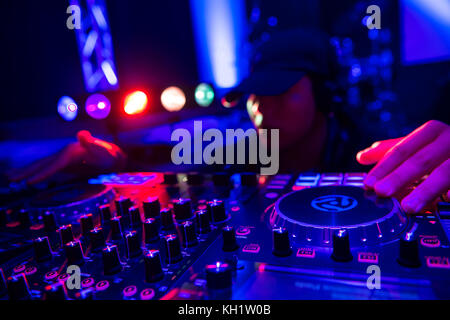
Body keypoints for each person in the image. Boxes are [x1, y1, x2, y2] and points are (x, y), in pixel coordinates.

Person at [7, 30, 449, 215]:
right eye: (252, 94)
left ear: (325, 95)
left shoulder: (377, 153)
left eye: (277, 90)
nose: (259, 108)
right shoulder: (247, 149)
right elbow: (162, 155)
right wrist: (110, 158)